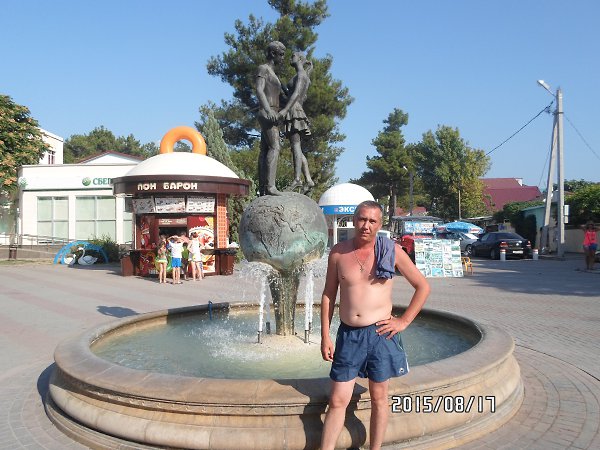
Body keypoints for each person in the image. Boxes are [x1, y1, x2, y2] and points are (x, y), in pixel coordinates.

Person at [320, 200, 430, 450]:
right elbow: (328, 294)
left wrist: (403, 321)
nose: (366, 225)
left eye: (372, 221)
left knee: (379, 398)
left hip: (381, 334)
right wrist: (325, 335)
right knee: (337, 400)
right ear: (354, 220)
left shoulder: (391, 251)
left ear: (380, 224)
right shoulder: (338, 253)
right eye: (362, 219)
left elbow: (423, 286)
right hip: (349, 335)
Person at [279, 51, 315, 194]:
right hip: (294, 109)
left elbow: (296, 94)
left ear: (300, 59)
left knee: (295, 146)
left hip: (294, 110)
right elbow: (291, 93)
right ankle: (308, 179)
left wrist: (285, 109)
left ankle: (297, 179)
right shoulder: (301, 75)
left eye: (293, 56)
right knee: (296, 148)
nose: (290, 58)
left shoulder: (301, 75)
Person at [256, 41, 286, 196]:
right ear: (273, 53)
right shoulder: (264, 69)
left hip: (272, 112)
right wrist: (268, 110)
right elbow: (259, 90)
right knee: (275, 147)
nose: (283, 58)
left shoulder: (274, 74)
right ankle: (270, 186)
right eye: (281, 54)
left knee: (265, 150)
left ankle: (262, 188)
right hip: (268, 112)